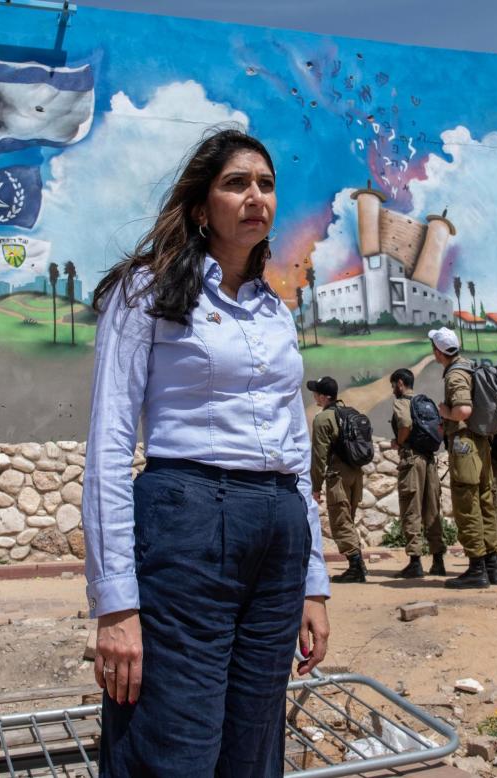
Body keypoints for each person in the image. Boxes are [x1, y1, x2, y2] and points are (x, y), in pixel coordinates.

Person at [84, 129, 329, 776]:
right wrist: (115, 604)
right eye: (236, 183)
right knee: (173, 741)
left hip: (276, 534)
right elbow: (109, 445)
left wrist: (313, 584)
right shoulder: (146, 292)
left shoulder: (274, 313)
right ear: (200, 207)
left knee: (253, 748)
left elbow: (294, 452)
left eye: (266, 185)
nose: (256, 196)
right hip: (188, 522)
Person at [429, 327, 497, 588]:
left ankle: (476, 568)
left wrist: (445, 413)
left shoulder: (456, 374)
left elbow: (462, 410)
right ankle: (492, 566)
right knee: (485, 500)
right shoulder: (469, 366)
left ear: (438, 351)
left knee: (467, 502)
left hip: (465, 443)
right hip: (480, 442)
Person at [388, 368, 445, 578]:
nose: (393, 389)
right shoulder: (425, 402)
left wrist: (399, 441)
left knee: (411, 507)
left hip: (412, 460)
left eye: (394, 385)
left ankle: (415, 561)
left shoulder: (402, 402)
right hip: (430, 460)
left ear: (401, 383)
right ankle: (438, 560)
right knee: (432, 509)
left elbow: (405, 424)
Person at [309, 376, 368, 583]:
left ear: (324, 397)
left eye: (316, 392)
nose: (314, 395)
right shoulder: (349, 413)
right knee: (348, 519)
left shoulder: (322, 419)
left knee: (340, 521)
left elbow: (319, 457)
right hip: (355, 473)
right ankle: (359, 564)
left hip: (338, 477)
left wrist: (315, 487)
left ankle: (355, 567)